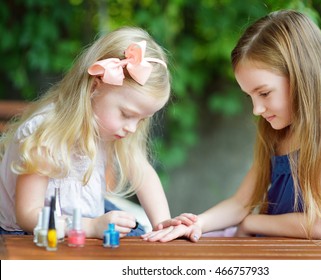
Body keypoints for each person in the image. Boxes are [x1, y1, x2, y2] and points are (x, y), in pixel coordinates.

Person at [142, 10, 321, 242]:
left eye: (264, 93)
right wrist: (197, 223)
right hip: (282, 249)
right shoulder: (276, 132)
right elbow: (241, 202)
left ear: (301, 76)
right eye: (250, 97)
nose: (257, 109)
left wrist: (253, 222)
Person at [0, 27, 188, 238]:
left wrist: (163, 226)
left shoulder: (109, 127)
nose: (132, 128)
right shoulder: (46, 134)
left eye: (142, 119)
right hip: (30, 232)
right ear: (94, 88)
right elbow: (28, 215)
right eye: (126, 114)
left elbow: (143, 173)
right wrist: (88, 227)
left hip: (85, 221)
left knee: (136, 234)